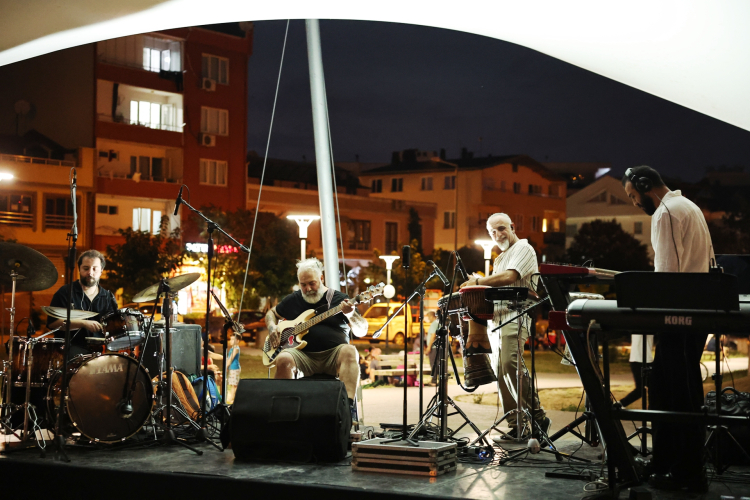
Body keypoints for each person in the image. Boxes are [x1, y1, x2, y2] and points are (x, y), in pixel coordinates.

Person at [623, 165, 713, 492]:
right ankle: (673, 465)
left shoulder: (666, 213)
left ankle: (682, 471)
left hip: (678, 316)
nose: (634, 203)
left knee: (672, 394)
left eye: (633, 195)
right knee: (677, 390)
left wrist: (649, 312)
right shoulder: (689, 206)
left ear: (644, 185)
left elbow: (667, 275)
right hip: (697, 312)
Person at [459, 213, 550, 441]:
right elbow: (495, 286)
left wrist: (478, 281)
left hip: (516, 315)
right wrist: (478, 282)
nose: (497, 235)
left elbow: (510, 277)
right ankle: (516, 425)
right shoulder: (500, 258)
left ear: (512, 227)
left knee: (510, 364)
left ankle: (538, 417)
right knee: (501, 372)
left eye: (501, 229)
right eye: (492, 232)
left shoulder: (523, 248)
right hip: (497, 319)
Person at [265, 258, 367, 424]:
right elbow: (271, 313)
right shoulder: (294, 299)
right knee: (283, 358)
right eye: (303, 285)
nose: (308, 289)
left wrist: (351, 314)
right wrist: (271, 328)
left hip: (334, 355)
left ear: (321, 278)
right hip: (303, 355)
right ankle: (283, 413)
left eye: (312, 283)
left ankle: (347, 410)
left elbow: (362, 330)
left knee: (350, 351)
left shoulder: (339, 299)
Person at [47, 249, 118, 357]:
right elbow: (53, 323)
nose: (90, 272)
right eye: (86, 268)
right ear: (79, 269)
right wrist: (82, 323)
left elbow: (114, 327)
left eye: (94, 269)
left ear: (101, 271)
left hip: (100, 351)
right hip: (70, 350)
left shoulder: (108, 297)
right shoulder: (65, 292)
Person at [618, 334, 653, 408]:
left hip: (647, 359)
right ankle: (620, 404)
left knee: (653, 387)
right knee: (640, 390)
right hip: (638, 360)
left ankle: (653, 410)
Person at [226, 333, 242, 404]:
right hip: (232, 368)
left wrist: (226, 366)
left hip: (235, 368)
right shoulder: (232, 348)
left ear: (237, 341)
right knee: (232, 384)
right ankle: (232, 398)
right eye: (230, 339)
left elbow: (230, 359)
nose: (231, 341)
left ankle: (232, 399)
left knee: (234, 385)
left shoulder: (236, 349)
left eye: (233, 339)